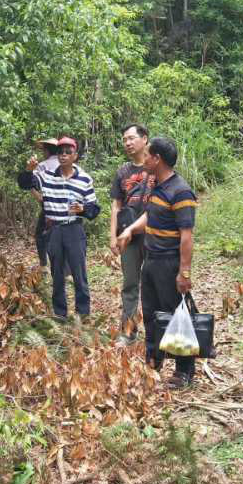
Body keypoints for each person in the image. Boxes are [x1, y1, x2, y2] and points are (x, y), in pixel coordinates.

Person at [118, 137, 198, 388]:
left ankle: (184, 370)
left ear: (157, 159)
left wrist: (184, 273)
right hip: (151, 260)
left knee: (176, 314)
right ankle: (153, 361)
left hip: (169, 263)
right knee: (152, 314)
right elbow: (149, 215)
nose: (144, 160)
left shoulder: (181, 191)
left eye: (147, 155)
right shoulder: (157, 186)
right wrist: (130, 229)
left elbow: (187, 236)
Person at [20, 137, 100, 320]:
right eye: (60, 152)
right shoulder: (46, 175)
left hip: (74, 229)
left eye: (67, 152)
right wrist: (28, 170)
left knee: (79, 273)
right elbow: (25, 184)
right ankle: (60, 314)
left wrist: (83, 209)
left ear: (75, 156)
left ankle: (83, 314)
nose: (63, 155)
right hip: (54, 229)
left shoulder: (84, 179)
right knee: (57, 273)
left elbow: (94, 209)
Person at [110, 124, 155, 345]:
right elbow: (116, 206)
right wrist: (112, 236)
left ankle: (157, 330)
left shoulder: (156, 166)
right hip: (128, 237)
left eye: (131, 138)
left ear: (144, 139)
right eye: (124, 139)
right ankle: (128, 332)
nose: (127, 143)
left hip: (155, 234)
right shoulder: (122, 172)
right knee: (129, 284)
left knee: (155, 282)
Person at [27, 138, 59, 271]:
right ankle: (67, 270)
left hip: (49, 206)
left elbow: (30, 183)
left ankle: (44, 265)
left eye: (43, 150)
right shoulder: (68, 164)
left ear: (46, 151)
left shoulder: (43, 166)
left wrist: (40, 199)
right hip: (66, 206)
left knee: (40, 235)